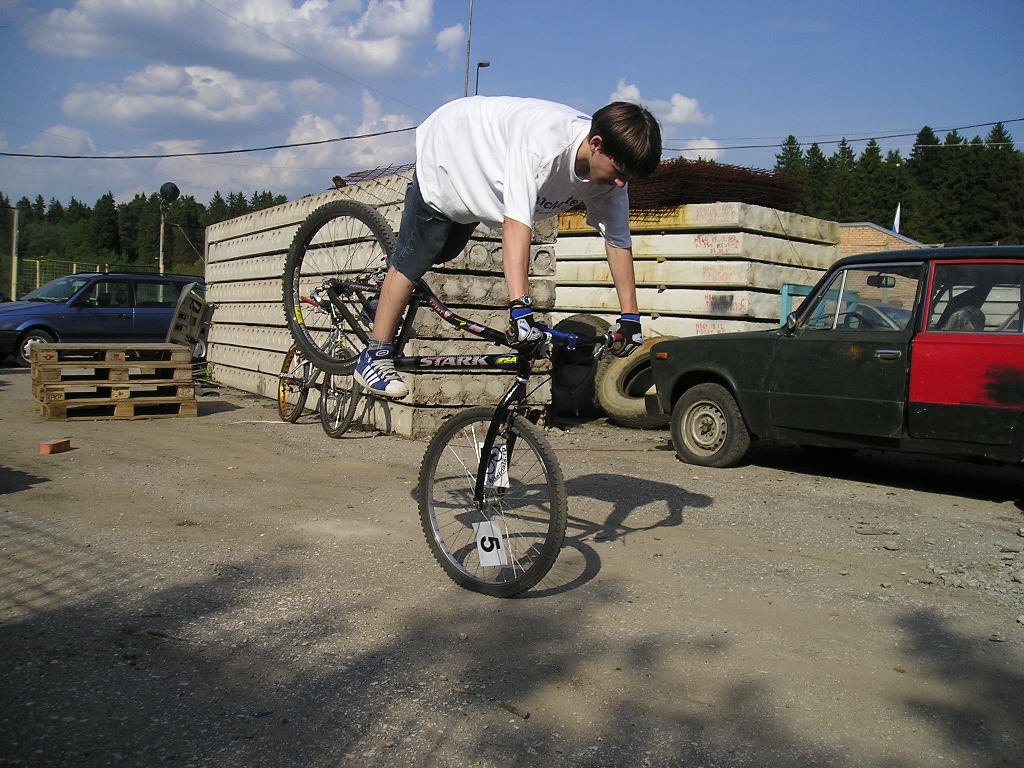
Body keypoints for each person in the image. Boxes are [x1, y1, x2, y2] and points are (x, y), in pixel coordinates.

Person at [354, 95, 662, 398]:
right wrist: (520, 308)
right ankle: (374, 356)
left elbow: (618, 242)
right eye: (618, 172)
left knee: (446, 251)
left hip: (486, 172)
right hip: (452, 149)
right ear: (596, 144)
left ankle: (383, 293)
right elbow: (516, 225)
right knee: (418, 255)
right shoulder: (543, 144)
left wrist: (630, 317)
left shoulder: (612, 178)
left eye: (627, 178)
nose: (621, 184)